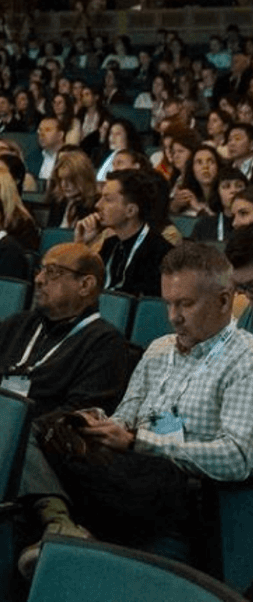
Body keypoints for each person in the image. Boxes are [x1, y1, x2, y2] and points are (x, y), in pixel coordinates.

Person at [20, 241, 253, 571]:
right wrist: (97, 423)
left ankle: (66, 541)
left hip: (182, 495)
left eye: (186, 304)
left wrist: (141, 443)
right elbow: (126, 416)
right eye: (168, 304)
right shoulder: (159, 349)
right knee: (40, 429)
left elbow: (238, 458)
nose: (174, 317)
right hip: (128, 477)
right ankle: (61, 526)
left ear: (223, 300)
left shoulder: (245, 360)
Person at [0, 242, 132, 417]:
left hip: (32, 438)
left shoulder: (104, 343)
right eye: (40, 270)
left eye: (52, 271)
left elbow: (77, 417)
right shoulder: (16, 324)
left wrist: (11, 428)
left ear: (85, 285)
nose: (39, 279)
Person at [75, 172, 169, 296]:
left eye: (107, 199)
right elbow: (80, 287)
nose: (98, 205)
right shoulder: (110, 245)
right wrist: (81, 244)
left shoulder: (160, 253)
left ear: (130, 211)